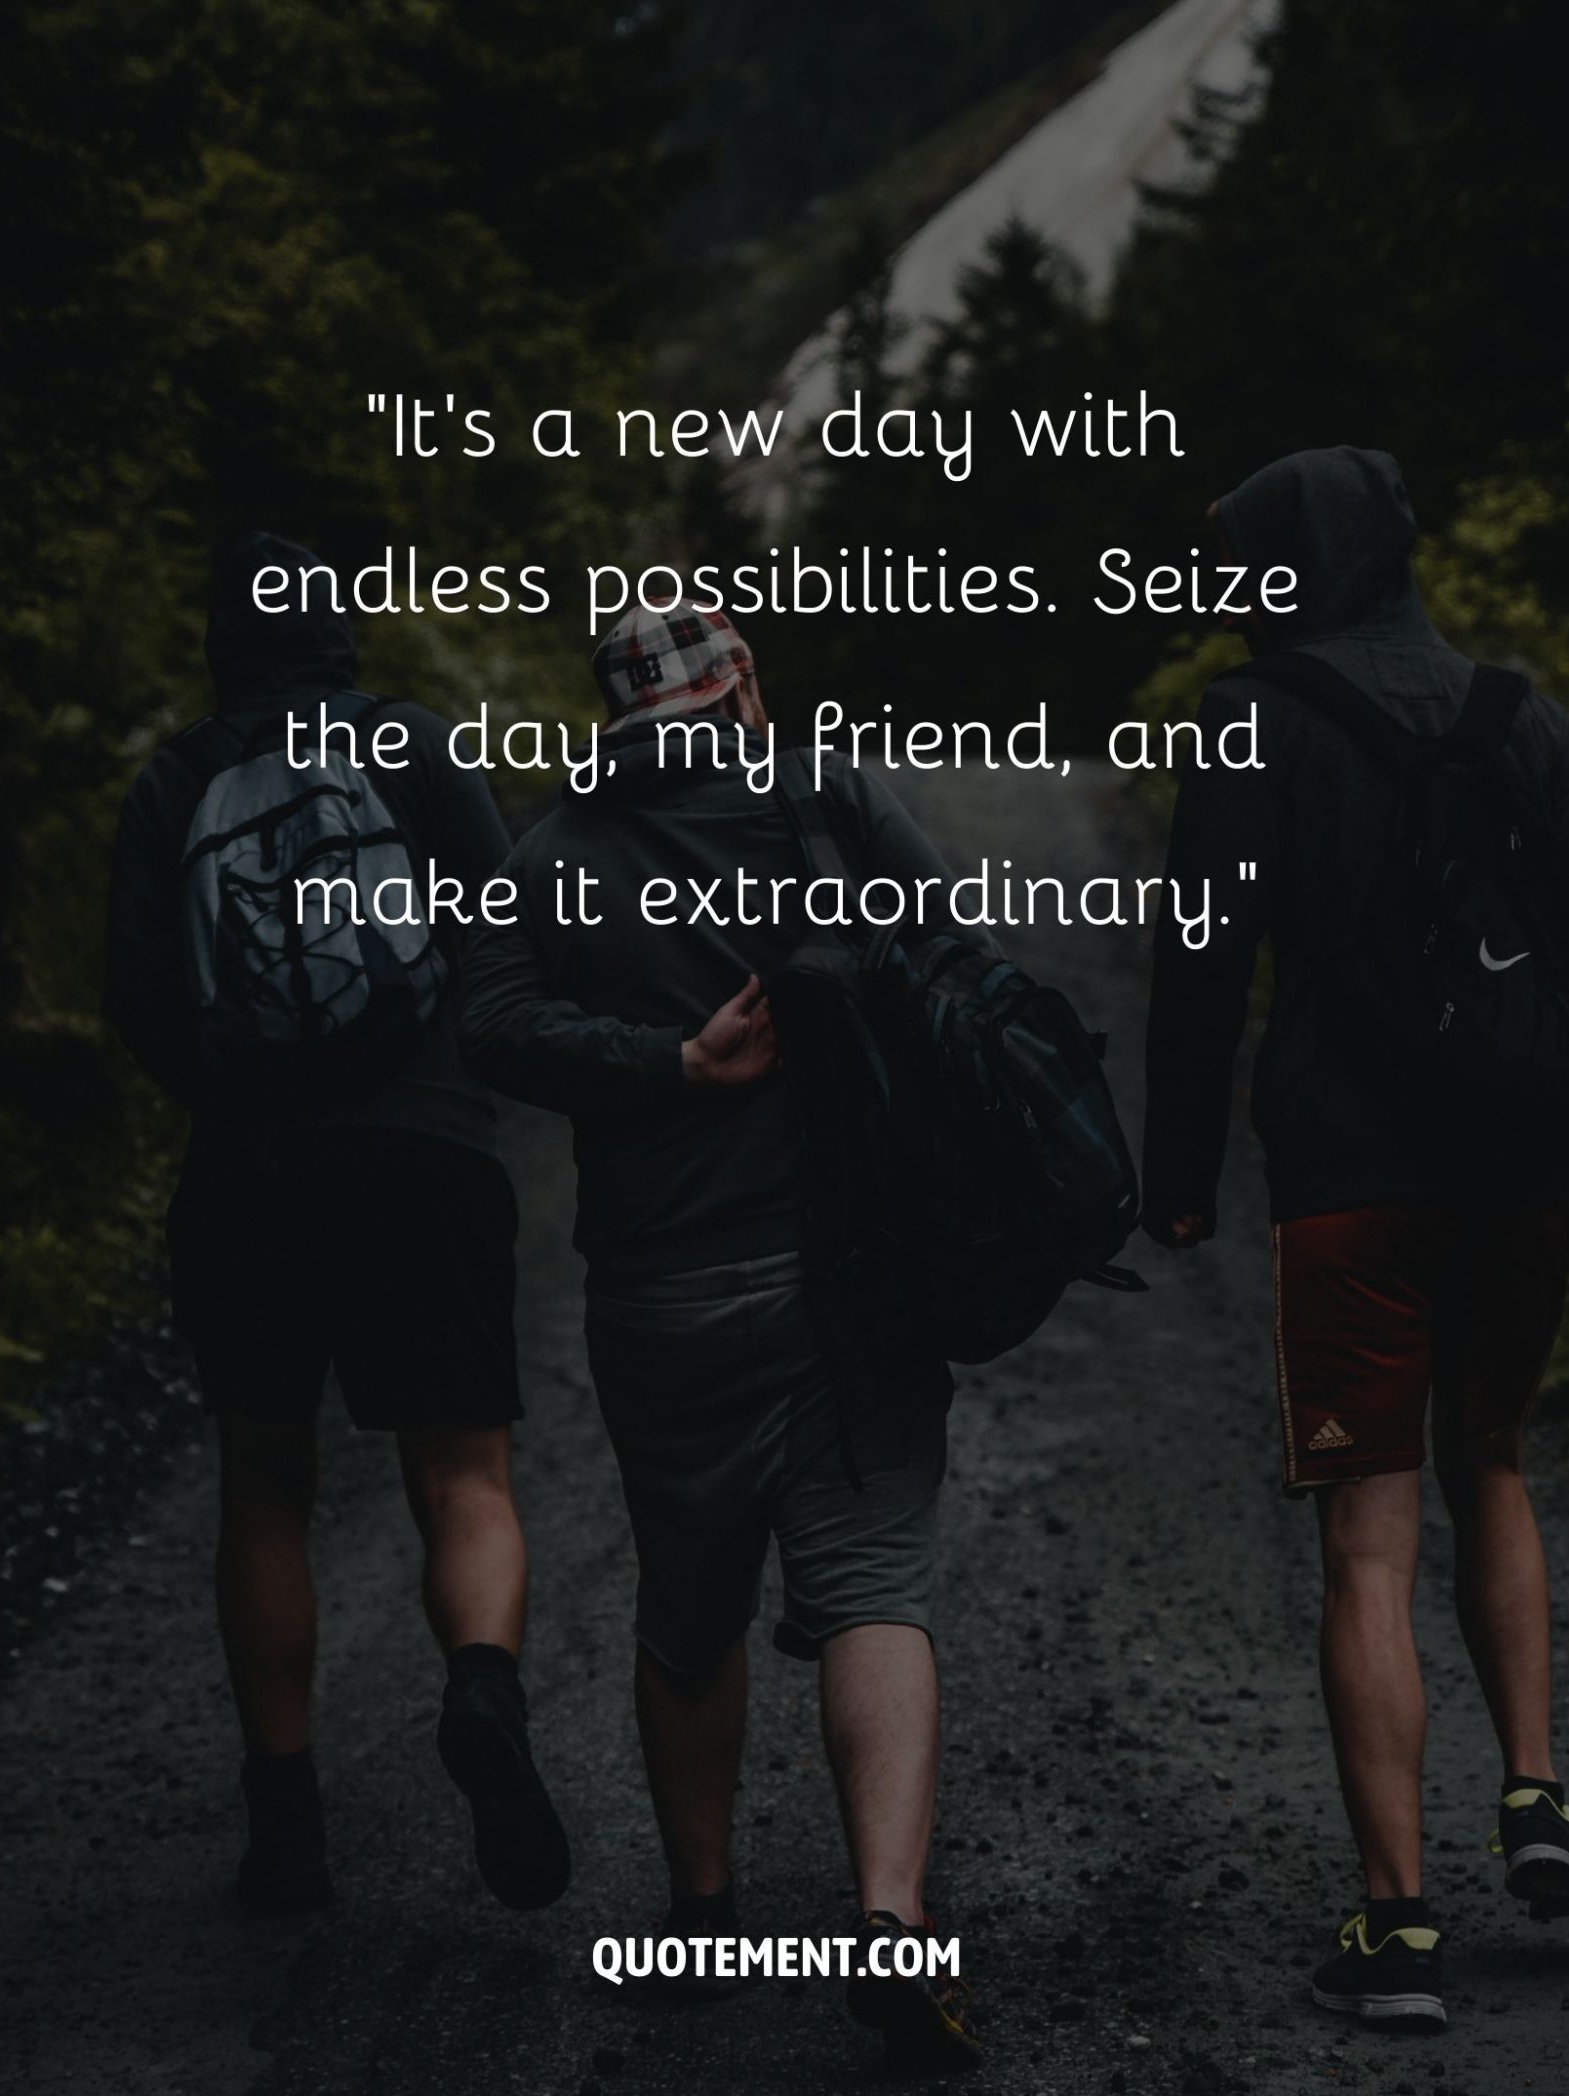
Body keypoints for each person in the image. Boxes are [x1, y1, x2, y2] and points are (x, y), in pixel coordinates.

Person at [460, 600, 979, 2073]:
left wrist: (666, 1064)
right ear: (738, 678)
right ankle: (886, 1915)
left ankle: (700, 1919)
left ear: (609, 709)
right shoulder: (831, 791)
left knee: (689, 1617)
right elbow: (947, 956)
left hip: (663, 1293)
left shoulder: (555, 850)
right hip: (849, 1279)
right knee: (875, 1587)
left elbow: (486, 1025)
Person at [1142, 446, 1569, 2030]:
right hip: (1520, 1169)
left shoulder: (1240, 725)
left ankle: (1400, 1925)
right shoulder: (1516, 711)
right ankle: (1540, 1793)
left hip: (1350, 1171)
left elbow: (1202, 968)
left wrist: (1180, 1171)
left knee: (1368, 1530)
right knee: (1494, 1456)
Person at [105, 531, 568, 1916]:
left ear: (220, 646)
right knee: (464, 1473)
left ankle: (287, 1823)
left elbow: (140, 997)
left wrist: (238, 1093)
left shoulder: (176, 780)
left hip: (250, 1178)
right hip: (421, 1157)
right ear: (340, 636)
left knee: (265, 1488)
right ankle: (482, 1691)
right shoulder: (414, 749)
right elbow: (507, 940)